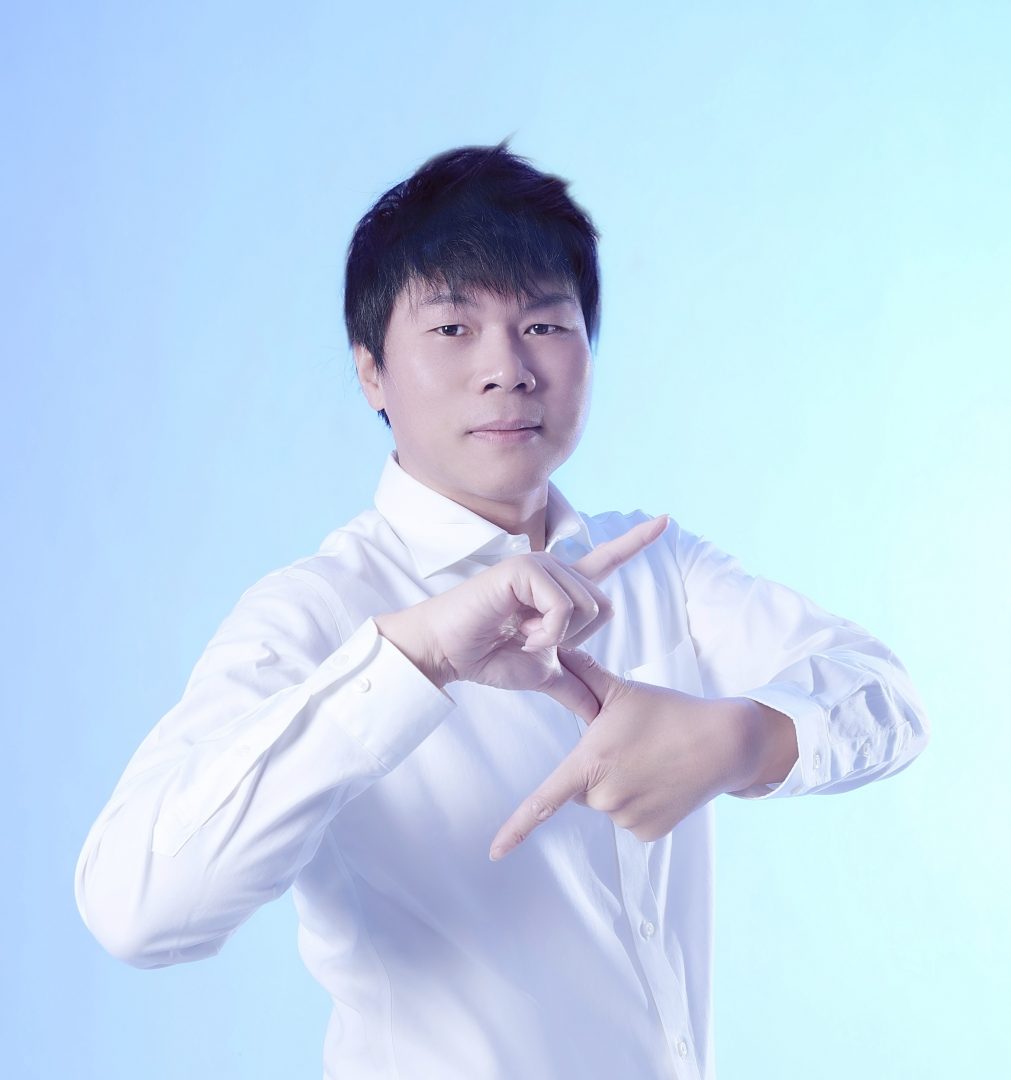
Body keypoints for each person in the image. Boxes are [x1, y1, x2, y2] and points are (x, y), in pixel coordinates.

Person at [74, 139, 931, 1080]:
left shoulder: (655, 564)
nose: (508, 369)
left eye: (545, 324)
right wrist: (412, 660)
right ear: (370, 372)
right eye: (452, 327)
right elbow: (133, 909)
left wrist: (741, 739)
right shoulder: (316, 611)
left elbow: (884, 699)